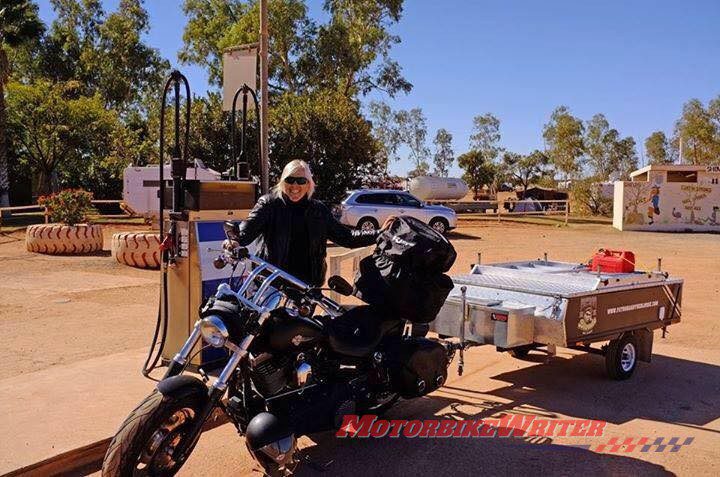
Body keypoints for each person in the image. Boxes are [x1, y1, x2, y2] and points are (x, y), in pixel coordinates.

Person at [228, 159, 393, 286]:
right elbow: (245, 232)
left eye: (301, 181)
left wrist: (379, 233)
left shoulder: (318, 210)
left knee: (304, 331)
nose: (295, 186)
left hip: (307, 285)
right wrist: (233, 241)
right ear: (282, 182)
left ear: (309, 184)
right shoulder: (269, 204)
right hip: (272, 283)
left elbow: (346, 236)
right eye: (290, 180)